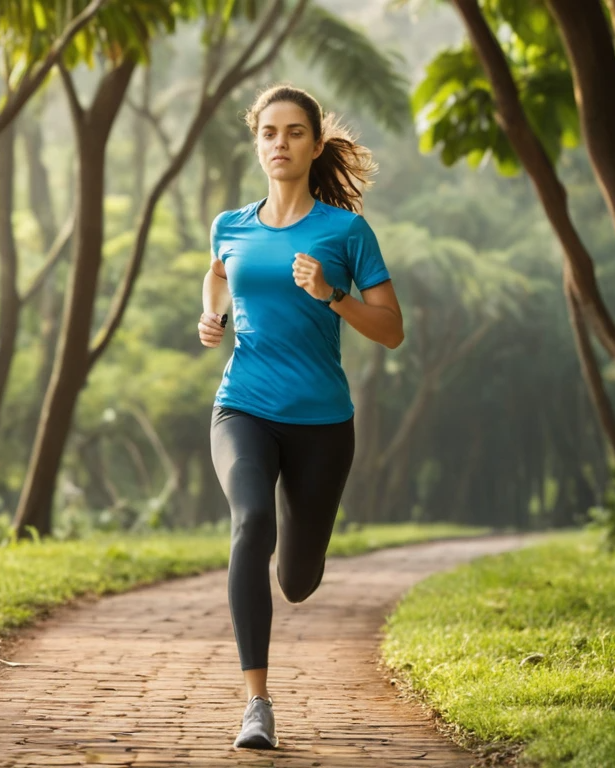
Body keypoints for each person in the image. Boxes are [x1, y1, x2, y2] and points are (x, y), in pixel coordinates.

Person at [197, 84, 405, 750]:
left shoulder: (346, 232)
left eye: (293, 133)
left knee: (298, 577)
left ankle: (303, 556)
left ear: (316, 145)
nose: (279, 144)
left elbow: (393, 330)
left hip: (322, 423)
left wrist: (332, 293)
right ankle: (256, 703)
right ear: (256, 142)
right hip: (242, 406)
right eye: (268, 132)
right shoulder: (231, 224)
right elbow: (218, 273)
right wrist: (213, 313)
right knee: (251, 522)